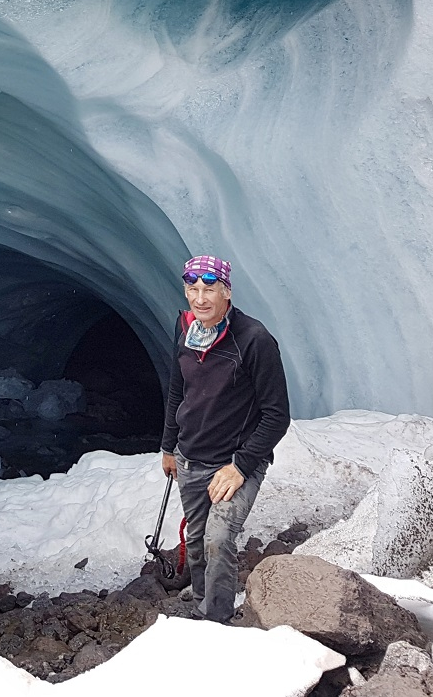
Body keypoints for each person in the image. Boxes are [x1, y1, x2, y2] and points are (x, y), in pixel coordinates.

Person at [159, 254, 290, 624]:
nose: (200, 298)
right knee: (198, 542)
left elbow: (277, 416)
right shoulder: (185, 328)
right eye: (192, 288)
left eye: (209, 288)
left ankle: (216, 623)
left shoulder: (254, 340)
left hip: (233, 462)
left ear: (227, 291)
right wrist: (169, 447)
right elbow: (176, 390)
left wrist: (240, 467)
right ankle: (203, 608)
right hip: (190, 458)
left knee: (218, 540)